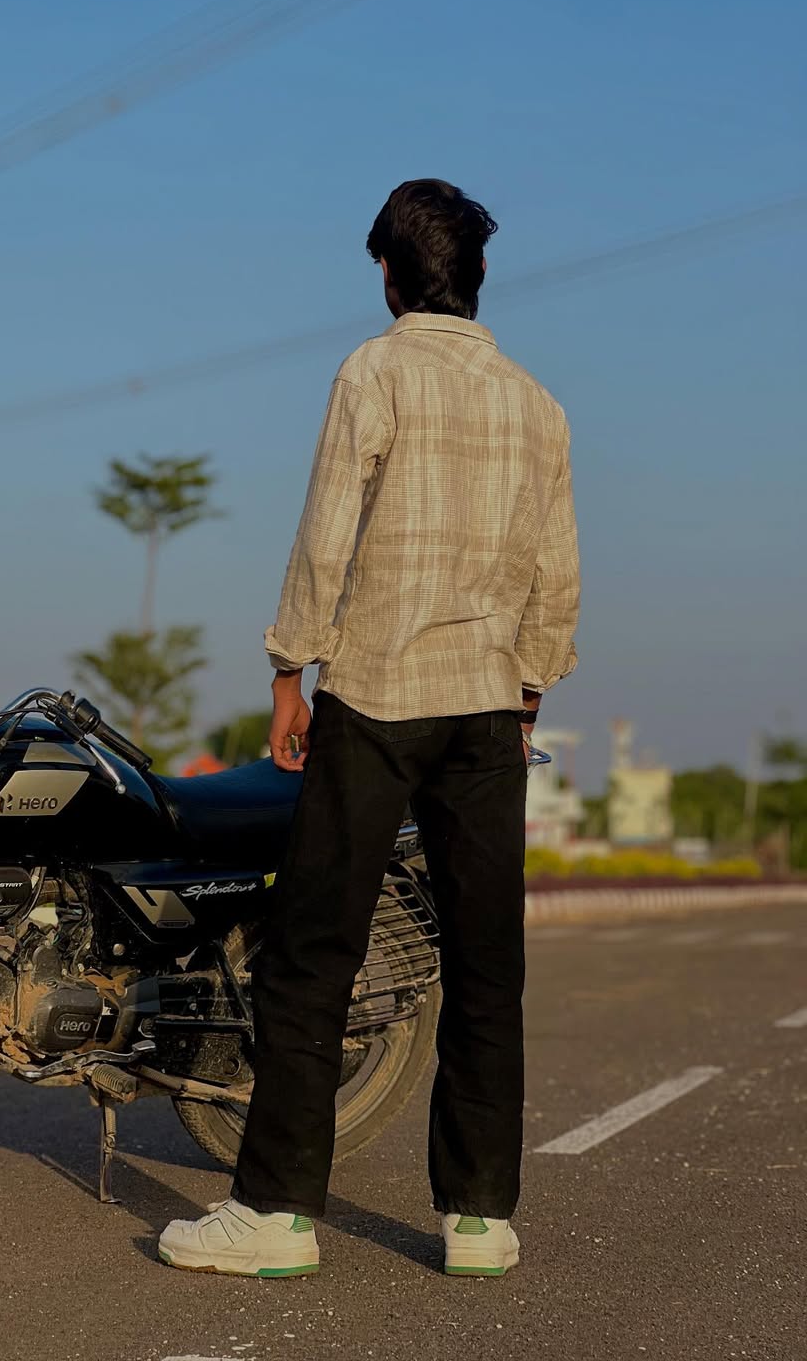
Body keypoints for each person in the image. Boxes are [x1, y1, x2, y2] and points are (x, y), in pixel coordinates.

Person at [159, 178, 580, 1278]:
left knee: (312, 956)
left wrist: (288, 666)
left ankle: (275, 1215)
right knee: (485, 963)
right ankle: (480, 1221)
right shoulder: (536, 402)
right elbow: (557, 563)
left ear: (388, 274)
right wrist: (531, 683)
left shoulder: (374, 371)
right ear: (477, 276)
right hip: (487, 708)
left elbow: (326, 530)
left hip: (380, 699)